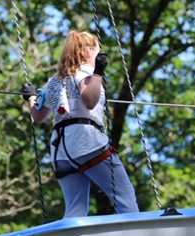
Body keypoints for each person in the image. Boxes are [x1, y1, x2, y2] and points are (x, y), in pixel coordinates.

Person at [22, 30, 139, 218]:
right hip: (87, 142)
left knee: (75, 210)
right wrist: (98, 73)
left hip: (61, 150)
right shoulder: (86, 72)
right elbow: (89, 100)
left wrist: (31, 98)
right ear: (89, 50)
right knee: (124, 197)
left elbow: (39, 116)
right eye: (98, 51)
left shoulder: (54, 81)